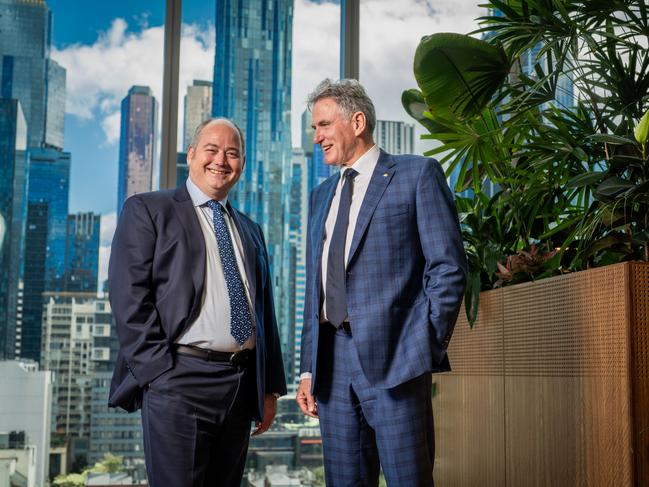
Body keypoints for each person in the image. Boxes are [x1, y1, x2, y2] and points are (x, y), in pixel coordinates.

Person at [296, 79, 467, 486]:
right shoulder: (321, 195)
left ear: (357, 121)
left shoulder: (416, 174)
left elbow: (447, 268)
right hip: (331, 368)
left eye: (322, 125)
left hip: (397, 361)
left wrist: (420, 347)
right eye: (314, 128)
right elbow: (314, 289)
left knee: (409, 478)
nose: (316, 136)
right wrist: (307, 370)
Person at [108, 118, 286, 487]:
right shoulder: (149, 210)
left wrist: (268, 389)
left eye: (233, 153)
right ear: (191, 155)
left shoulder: (250, 230)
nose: (221, 160)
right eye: (212, 149)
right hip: (178, 380)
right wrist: (158, 373)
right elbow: (130, 298)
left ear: (242, 164)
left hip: (239, 385)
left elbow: (265, 313)